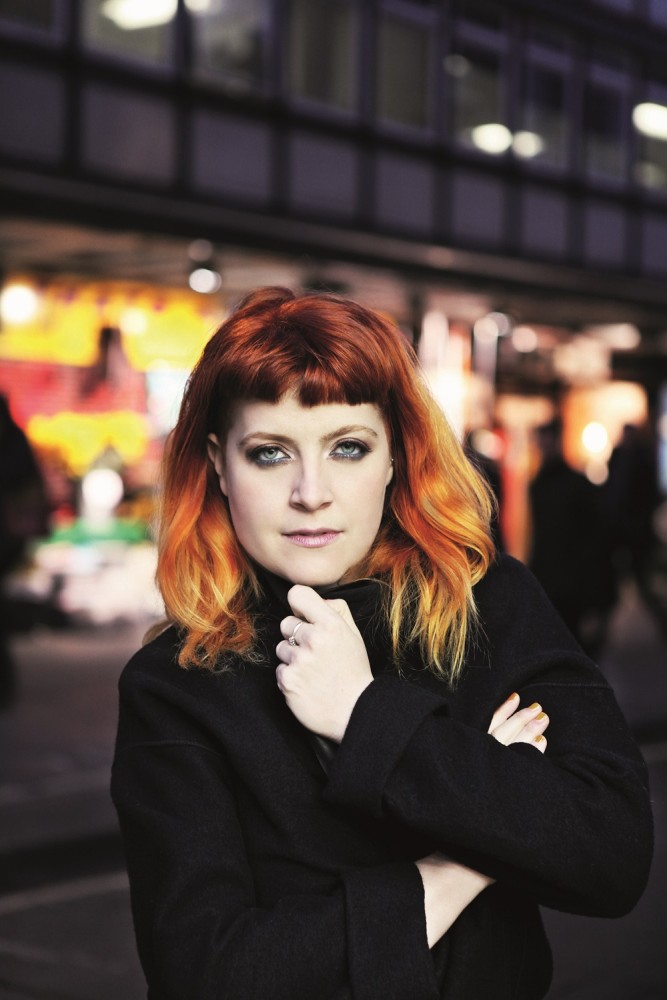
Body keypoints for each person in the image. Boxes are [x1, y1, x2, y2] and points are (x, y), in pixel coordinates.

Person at [111, 288, 653, 1000]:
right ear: (219, 463)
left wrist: (366, 715)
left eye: (347, 447)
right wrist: (464, 862)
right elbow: (210, 975)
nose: (311, 492)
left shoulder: (487, 606)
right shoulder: (176, 682)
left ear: (395, 453)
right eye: (270, 453)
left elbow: (612, 854)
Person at [528, 417, 616, 657]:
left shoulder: (568, 485)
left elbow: (593, 538)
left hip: (569, 581)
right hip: (555, 579)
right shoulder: (540, 484)